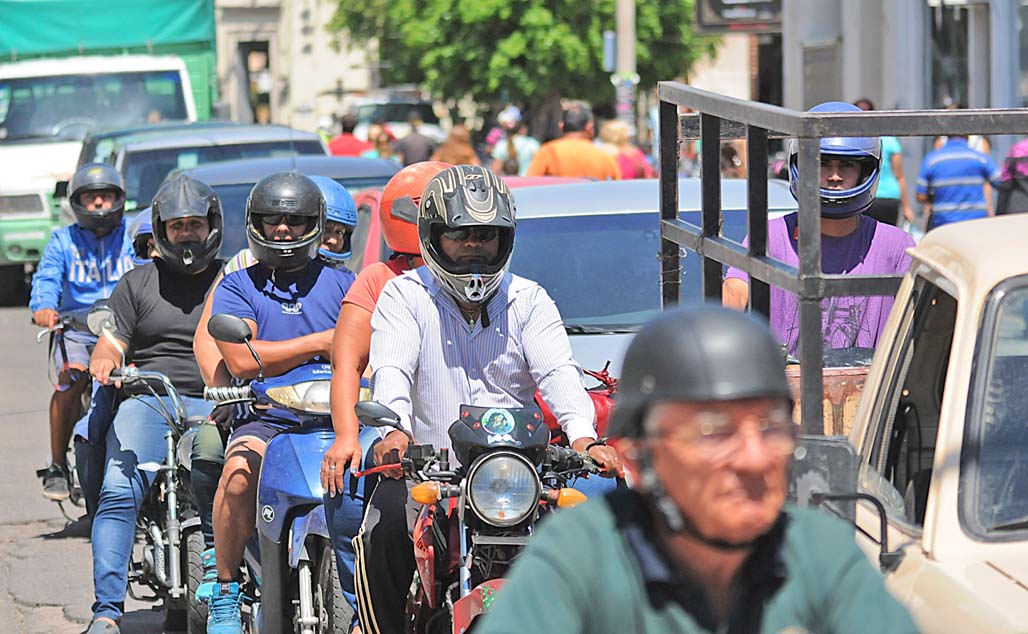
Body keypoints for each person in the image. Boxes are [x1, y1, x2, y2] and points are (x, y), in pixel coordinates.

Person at [477, 305, 919, 634]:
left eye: (770, 427)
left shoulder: (818, 552)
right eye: (715, 432)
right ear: (638, 455)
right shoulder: (582, 557)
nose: (754, 458)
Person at [353, 164, 622, 634]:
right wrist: (393, 430)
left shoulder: (529, 300)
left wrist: (582, 438)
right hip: (430, 474)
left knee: (605, 533)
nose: (474, 246)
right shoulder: (404, 296)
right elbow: (390, 369)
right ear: (433, 238)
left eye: (486, 235)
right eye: (461, 235)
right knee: (383, 528)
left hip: (520, 479)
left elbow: (559, 373)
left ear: (506, 240)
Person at [203, 171, 356, 634]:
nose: (283, 230)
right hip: (267, 420)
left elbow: (365, 349)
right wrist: (320, 343)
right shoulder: (237, 286)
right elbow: (242, 358)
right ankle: (226, 589)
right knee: (235, 477)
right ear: (255, 223)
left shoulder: (344, 283)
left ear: (316, 223)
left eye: (295, 219)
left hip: (340, 417)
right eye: (272, 220)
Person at [83, 174, 224, 634]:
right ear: (162, 230)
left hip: (217, 401)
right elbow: (110, 341)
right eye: (177, 225)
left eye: (195, 225)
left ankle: (250, 593)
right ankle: (106, 611)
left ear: (212, 227)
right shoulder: (137, 282)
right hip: (148, 398)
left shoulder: (233, 277)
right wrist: (105, 361)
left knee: (244, 486)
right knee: (118, 491)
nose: (187, 234)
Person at [323, 161, 451, 634]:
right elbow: (348, 365)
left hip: (477, 447)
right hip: (402, 441)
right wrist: (347, 436)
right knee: (357, 508)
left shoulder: (494, 280)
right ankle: (368, 616)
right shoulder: (379, 279)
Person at [722, 101, 915, 356]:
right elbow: (734, 293)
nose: (834, 176)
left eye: (847, 166)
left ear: (865, 171)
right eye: (823, 164)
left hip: (868, 392)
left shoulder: (896, 247)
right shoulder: (773, 237)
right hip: (791, 389)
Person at [30, 163, 135, 501]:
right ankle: (58, 464)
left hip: (123, 324)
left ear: (118, 199)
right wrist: (44, 307)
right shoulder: (63, 240)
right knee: (69, 380)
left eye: (106, 196)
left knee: (142, 380)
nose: (100, 205)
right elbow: (47, 277)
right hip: (76, 327)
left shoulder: (132, 232)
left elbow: (149, 266)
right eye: (92, 198)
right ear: (78, 203)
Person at [917, 130, 1001, 229]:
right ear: (967, 136)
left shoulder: (932, 159)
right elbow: (1002, 183)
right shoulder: (979, 158)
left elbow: (920, 196)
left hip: (944, 223)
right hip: (976, 222)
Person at [854, 98, 912, 226]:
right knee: (889, 238)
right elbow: (899, 176)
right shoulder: (889, 140)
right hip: (889, 198)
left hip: (864, 196)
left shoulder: (851, 141)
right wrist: (906, 207)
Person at [525, 103, 621, 180]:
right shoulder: (605, 157)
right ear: (589, 127)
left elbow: (530, 184)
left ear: (561, 126)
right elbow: (616, 191)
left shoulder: (547, 152)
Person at [490, 106, 540, 177]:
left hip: (511, 185)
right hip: (531, 184)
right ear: (521, 127)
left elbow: (495, 172)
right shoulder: (533, 143)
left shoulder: (501, 145)